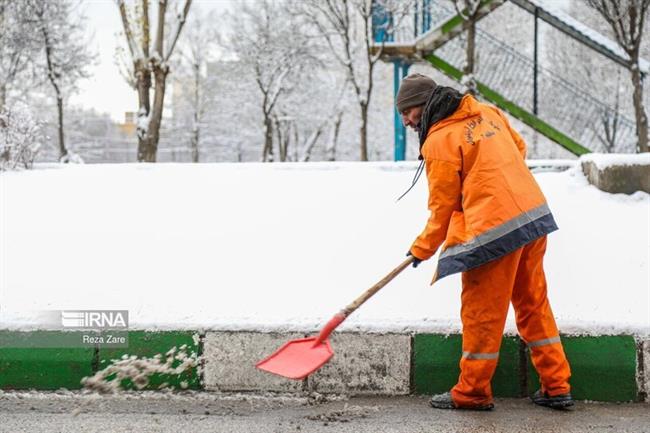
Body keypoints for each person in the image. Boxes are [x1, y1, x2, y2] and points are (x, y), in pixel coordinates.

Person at [396, 73, 572, 411]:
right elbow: (519, 148)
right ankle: (556, 385)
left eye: (408, 111)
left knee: (481, 314)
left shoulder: (439, 141)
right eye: (401, 113)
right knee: (533, 304)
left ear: (425, 105)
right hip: (532, 216)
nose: (405, 119)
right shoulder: (487, 112)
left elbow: (442, 207)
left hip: (493, 231)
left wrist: (422, 248)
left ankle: (472, 392)